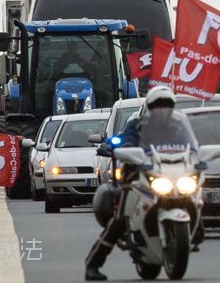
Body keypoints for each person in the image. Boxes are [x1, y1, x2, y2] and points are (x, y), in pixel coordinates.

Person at [84, 86, 200, 281]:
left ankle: (196, 233)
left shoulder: (179, 126)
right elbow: (126, 141)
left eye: (167, 105)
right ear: (150, 107)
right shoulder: (137, 125)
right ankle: (93, 264)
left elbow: (191, 146)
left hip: (171, 175)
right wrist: (127, 148)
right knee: (120, 219)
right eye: (158, 105)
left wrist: (198, 159)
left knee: (195, 198)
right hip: (138, 176)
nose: (162, 109)